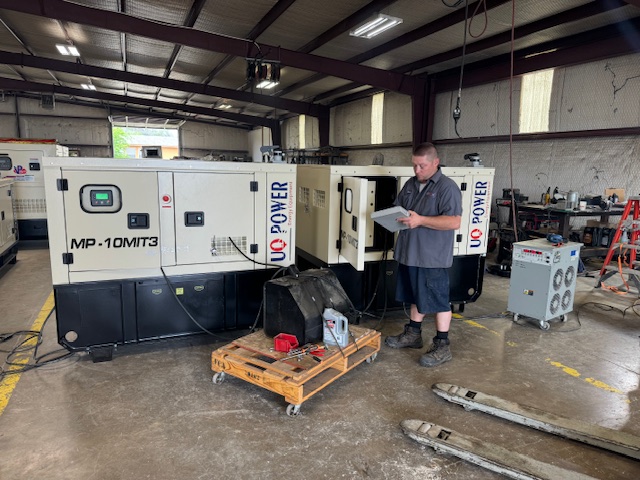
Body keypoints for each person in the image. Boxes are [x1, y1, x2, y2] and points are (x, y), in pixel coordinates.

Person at [384, 142, 462, 367]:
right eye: (414, 165)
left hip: (431, 257)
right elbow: (399, 208)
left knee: (438, 300)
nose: (417, 170)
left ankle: (442, 345)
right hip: (409, 253)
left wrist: (421, 220)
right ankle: (413, 334)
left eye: (422, 165)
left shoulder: (447, 188)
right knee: (415, 296)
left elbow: (454, 221)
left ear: (435, 163)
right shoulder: (410, 184)